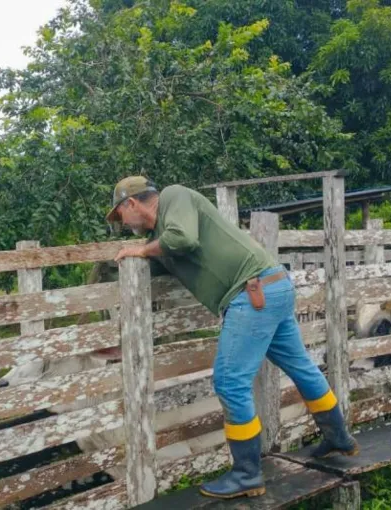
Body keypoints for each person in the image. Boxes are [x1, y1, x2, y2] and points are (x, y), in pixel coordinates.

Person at [106, 176, 358, 500]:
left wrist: (141, 249)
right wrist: (133, 260)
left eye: (120, 216)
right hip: (272, 286)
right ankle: (339, 438)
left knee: (229, 382)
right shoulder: (161, 235)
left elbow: (183, 239)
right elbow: (172, 254)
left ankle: (246, 473)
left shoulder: (174, 196)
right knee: (301, 368)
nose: (123, 224)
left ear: (132, 203)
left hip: (252, 293)